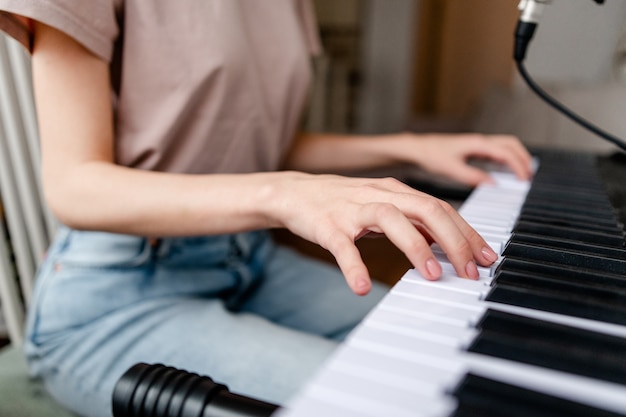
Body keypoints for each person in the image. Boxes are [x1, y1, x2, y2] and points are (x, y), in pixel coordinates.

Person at [0, 2, 532, 417]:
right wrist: (287, 194)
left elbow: (257, 146)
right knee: (395, 398)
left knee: (447, 345)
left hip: (246, 258)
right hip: (122, 292)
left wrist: (411, 147)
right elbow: (74, 185)